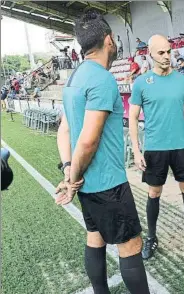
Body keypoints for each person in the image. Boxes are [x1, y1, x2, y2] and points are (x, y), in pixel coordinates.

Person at [55, 10, 150, 293]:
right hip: (108, 183)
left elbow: (65, 130)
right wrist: (72, 180)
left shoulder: (75, 77)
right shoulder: (102, 79)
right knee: (130, 244)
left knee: (95, 237)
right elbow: (87, 141)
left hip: (88, 185)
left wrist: (67, 169)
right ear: (109, 40)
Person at [129, 35, 184, 260]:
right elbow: (133, 118)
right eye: (161, 52)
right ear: (150, 54)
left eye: (169, 51)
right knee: (154, 192)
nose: (166, 56)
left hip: (180, 146)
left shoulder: (182, 81)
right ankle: (151, 237)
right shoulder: (142, 82)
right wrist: (136, 150)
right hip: (155, 148)